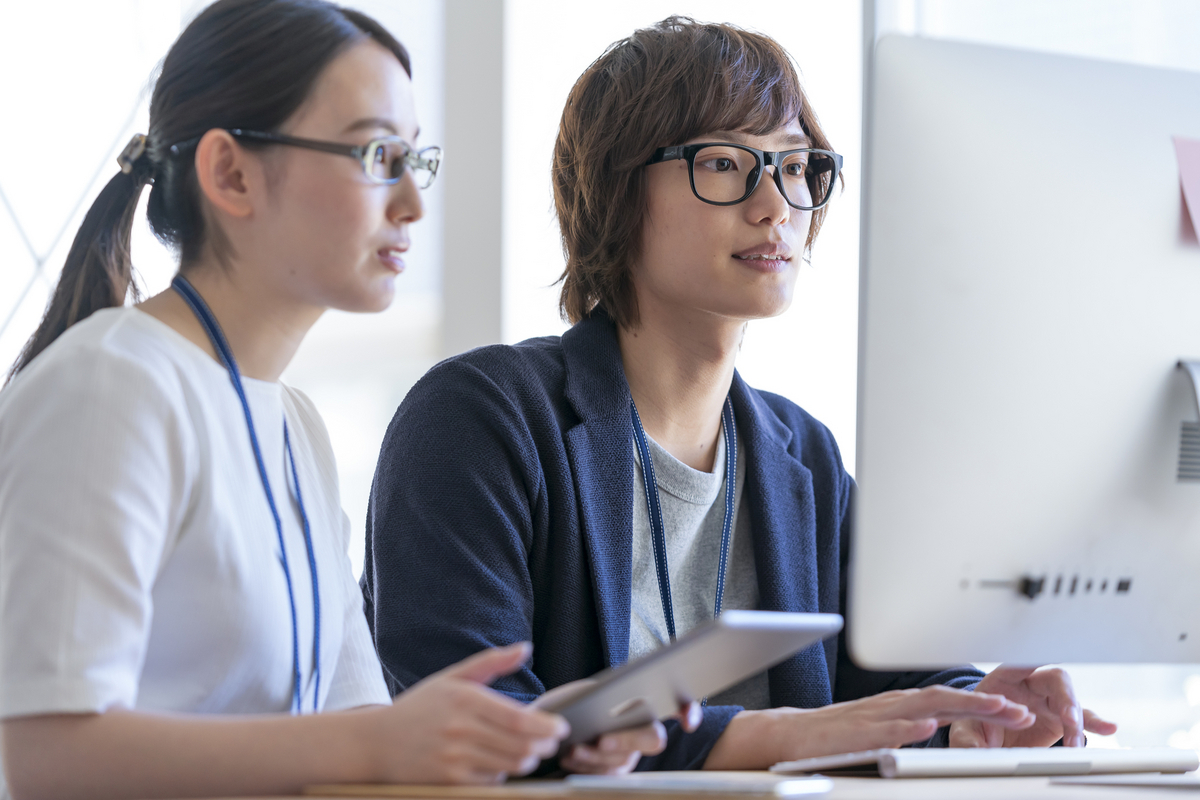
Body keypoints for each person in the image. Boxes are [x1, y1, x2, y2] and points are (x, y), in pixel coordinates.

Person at [362, 16, 1118, 773]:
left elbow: (887, 676)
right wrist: (770, 736)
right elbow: (475, 727)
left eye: (795, 166)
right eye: (724, 164)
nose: (775, 206)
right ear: (617, 194)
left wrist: (976, 712)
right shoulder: (482, 419)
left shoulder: (802, 455)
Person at [0, 1, 675, 796]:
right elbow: (46, 755)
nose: (413, 204)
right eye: (376, 154)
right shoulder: (110, 387)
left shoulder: (293, 422)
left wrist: (529, 732)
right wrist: (382, 745)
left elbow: (353, 719)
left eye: (414, 161)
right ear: (231, 173)